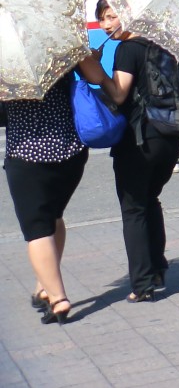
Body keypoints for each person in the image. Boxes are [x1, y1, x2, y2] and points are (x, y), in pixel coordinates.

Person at [99, 0, 179, 300]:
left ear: (129, 16)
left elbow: (119, 94)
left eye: (112, 16)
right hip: (169, 138)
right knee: (150, 200)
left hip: (139, 140)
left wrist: (95, 70)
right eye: (102, 18)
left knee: (134, 209)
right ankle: (157, 269)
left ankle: (143, 285)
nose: (106, 25)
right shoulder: (164, 44)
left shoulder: (127, 49)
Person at [4, 45, 115, 324]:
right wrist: (85, 55)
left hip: (27, 154)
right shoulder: (59, 43)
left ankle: (58, 298)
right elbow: (96, 77)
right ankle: (44, 286)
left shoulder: (5, 54)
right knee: (54, 217)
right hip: (70, 152)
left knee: (37, 229)